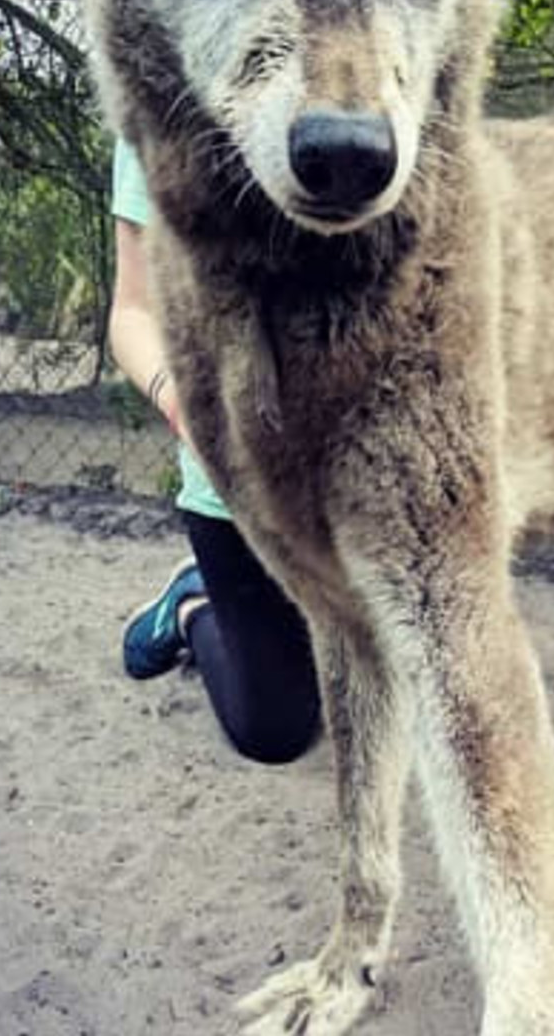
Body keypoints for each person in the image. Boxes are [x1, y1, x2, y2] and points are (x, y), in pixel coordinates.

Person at [109, 138, 322, 764]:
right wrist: (185, 408)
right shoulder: (158, 118)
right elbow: (132, 312)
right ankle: (193, 605)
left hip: (352, 486)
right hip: (237, 491)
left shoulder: (384, 105)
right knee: (276, 733)